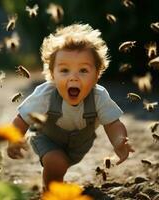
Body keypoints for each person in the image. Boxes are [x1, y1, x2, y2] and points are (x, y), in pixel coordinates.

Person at [7, 23, 134, 189]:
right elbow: (22, 118)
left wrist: (119, 141)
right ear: (52, 74)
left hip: (79, 146)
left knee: (60, 164)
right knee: (56, 163)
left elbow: (113, 124)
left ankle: (55, 181)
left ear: (97, 74)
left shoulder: (98, 96)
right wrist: (13, 139)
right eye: (65, 70)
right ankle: (51, 190)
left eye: (83, 70)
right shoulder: (46, 94)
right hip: (46, 138)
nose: (73, 78)